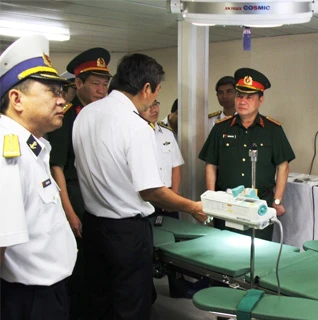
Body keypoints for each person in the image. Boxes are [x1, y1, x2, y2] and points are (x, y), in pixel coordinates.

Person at [72, 53, 207, 320]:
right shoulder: (136, 125)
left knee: (98, 302)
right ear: (146, 88)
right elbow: (151, 191)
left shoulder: (85, 114)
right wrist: (192, 207)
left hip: (94, 228)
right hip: (126, 233)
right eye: (156, 90)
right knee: (131, 304)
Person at [0, 34, 77, 320]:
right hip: (27, 300)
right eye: (52, 92)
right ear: (17, 99)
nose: (62, 101)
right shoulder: (7, 151)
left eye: (62, 92)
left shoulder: (32, 146)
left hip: (46, 293)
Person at [46, 47, 112, 320]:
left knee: (101, 270)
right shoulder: (66, 118)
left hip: (101, 201)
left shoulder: (105, 116)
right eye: (95, 83)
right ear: (78, 83)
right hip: (76, 199)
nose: (101, 89)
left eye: (105, 84)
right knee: (80, 272)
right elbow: (56, 167)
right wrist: (70, 214)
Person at [198, 68, 295, 241]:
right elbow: (210, 164)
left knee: (259, 254)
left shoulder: (273, 130)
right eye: (239, 96)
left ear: (261, 100)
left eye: (249, 97)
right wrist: (211, 197)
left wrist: (278, 201)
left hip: (259, 205)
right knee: (222, 252)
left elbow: (283, 167)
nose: (242, 101)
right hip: (227, 205)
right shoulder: (221, 128)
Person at [140, 99, 184, 219]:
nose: (154, 109)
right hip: (146, 197)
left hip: (169, 196)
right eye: (148, 106)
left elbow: (176, 166)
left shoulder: (167, 133)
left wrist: (173, 194)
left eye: (155, 104)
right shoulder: (135, 135)